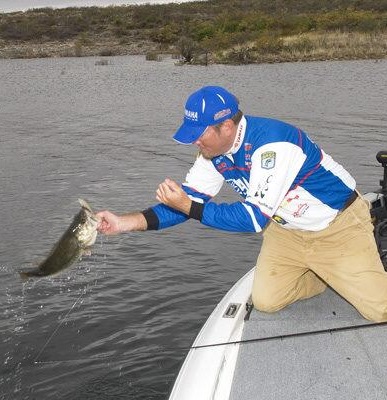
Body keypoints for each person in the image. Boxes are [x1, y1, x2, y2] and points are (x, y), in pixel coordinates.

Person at [97, 85, 387, 322]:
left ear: (226, 125)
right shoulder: (213, 153)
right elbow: (190, 200)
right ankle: (326, 274)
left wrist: (189, 206)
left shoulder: (272, 145)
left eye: (199, 134)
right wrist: (124, 223)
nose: (196, 142)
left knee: (380, 310)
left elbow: (251, 219)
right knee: (267, 301)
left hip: (338, 226)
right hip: (286, 232)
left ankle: (339, 268)